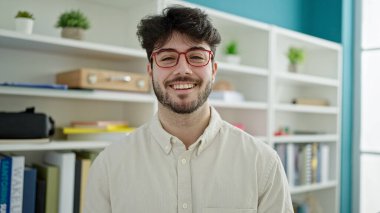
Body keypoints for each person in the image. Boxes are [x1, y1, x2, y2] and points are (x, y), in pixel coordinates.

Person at [85, 5, 293, 213]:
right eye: (167, 58)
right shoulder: (109, 166)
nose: (183, 69)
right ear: (150, 71)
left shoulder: (263, 164)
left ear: (213, 70)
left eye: (196, 57)